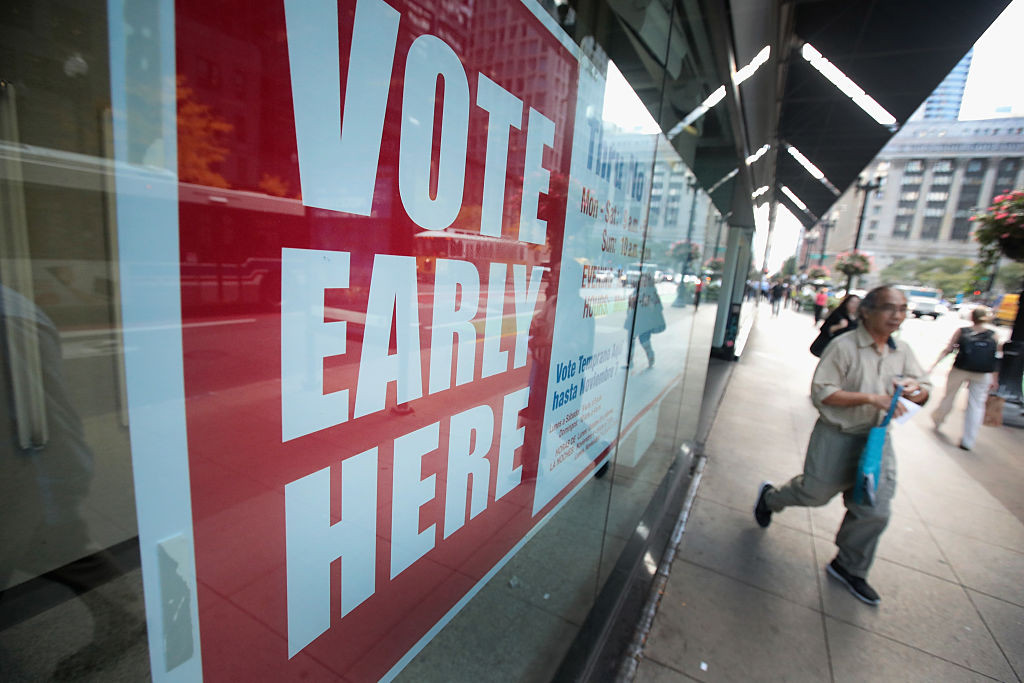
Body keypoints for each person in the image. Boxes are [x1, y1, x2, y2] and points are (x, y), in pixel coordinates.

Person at [754, 286, 931, 606]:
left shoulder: (902, 350)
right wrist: (870, 398)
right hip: (838, 434)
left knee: (873, 509)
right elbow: (822, 393)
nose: (897, 316)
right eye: (890, 308)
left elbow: (924, 390)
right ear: (866, 311)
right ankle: (770, 498)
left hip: (877, 439)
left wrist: (917, 390)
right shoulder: (844, 346)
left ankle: (849, 567)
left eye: (903, 309)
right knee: (814, 493)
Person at [930, 306, 1000, 450]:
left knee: (949, 396)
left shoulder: (962, 331)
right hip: (983, 373)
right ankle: (968, 440)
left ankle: (938, 419)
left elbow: (949, 349)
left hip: (960, 368)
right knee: (976, 405)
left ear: (971, 317)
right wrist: (995, 378)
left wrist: (934, 365)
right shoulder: (993, 334)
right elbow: (996, 358)